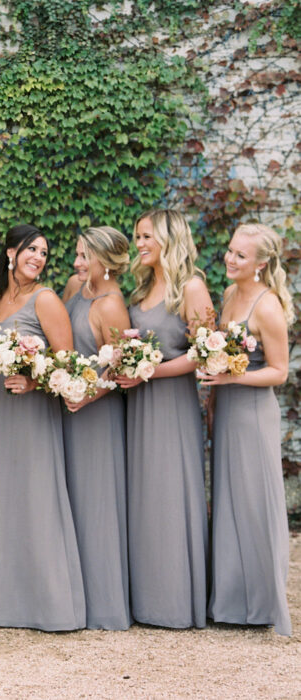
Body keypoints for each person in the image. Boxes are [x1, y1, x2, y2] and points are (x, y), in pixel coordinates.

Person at [0, 224, 85, 631]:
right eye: (31, 249)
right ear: (11, 252)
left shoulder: (46, 300)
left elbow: (68, 363)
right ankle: (13, 603)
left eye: (44, 253)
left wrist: (33, 381)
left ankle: (51, 606)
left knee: (39, 497)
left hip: (34, 411)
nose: (38, 258)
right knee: (9, 498)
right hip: (0, 409)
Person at [116, 208, 213, 629]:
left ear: (170, 239)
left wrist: (151, 371)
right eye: (137, 236)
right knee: (144, 495)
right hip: (139, 404)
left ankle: (176, 602)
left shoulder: (192, 287)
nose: (139, 244)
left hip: (172, 404)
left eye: (146, 236)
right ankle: (147, 600)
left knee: (171, 494)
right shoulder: (141, 289)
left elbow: (205, 353)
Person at [202, 223, 292, 636]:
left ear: (261, 264)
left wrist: (231, 379)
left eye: (241, 255)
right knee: (228, 500)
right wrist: (213, 399)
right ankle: (231, 601)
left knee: (254, 502)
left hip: (253, 415)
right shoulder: (228, 295)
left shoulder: (267, 306)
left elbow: (279, 371)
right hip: (226, 410)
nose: (230, 258)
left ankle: (261, 603)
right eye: (230, 250)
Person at [60, 226, 132, 630]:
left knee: (98, 501)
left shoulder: (112, 305)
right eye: (77, 254)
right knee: (72, 499)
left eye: (84, 256)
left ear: (104, 261)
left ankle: (104, 604)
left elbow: (120, 365)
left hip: (98, 414)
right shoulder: (76, 288)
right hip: (69, 407)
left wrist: (87, 395)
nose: (76, 263)